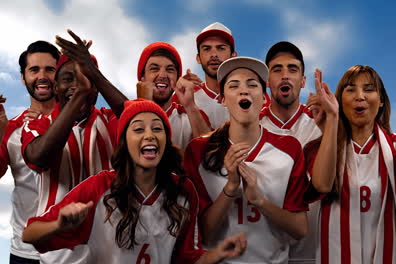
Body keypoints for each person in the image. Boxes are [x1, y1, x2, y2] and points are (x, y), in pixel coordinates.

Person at [22, 99, 247, 263]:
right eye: (138, 129)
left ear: (165, 142)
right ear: (124, 143)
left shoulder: (183, 191)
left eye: (157, 128)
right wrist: (59, 225)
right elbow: (30, 233)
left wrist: (218, 254)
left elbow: (186, 259)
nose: (149, 134)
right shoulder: (99, 187)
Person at [184, 56, 309, 263]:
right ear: (222, 99)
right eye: (234, 86)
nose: (244, 90)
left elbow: (300, 229)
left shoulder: (289, 148)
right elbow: (203, 233)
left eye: (252, 85)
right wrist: (231, 189)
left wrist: (260, 202)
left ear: (263, 98)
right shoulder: (198, 151)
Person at [22, 30, 128, 263]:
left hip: (110, 250)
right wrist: (81, 92)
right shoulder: (38, 124)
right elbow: (39, 158)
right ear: (55, 87)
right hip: (57, 255)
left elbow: (140, 118)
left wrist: (94, 76)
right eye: (68, 78)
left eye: (84, 77)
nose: (76, 84)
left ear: (97, 87)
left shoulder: (111, 120)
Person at [314, 65, 396, 263]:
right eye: (351, 89)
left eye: (368, 89)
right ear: (339, 101)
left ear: (380, 102)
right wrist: (331, 120)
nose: (359, 96)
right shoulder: (322, 150)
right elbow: (320, 185)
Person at [0, 40, 60, 264]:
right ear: (23, 77)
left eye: (50, 69)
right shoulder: (11, 129)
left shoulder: (79, 119)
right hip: (25, 253)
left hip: (76, 251)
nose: (42, 76)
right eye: (34, 69)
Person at [261, 41, 338, 263]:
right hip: (265, 254)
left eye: (292, 69)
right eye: (277, 70)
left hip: (314, 253)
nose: (285, 76)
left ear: (303, 81)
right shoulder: (252, 126)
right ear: (267, 81)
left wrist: (331, 124)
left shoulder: (322, 121)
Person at [136, 41, 211, 149]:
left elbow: (210, 156)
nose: (162, 75)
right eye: (154, 69)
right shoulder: (121, 114)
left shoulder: (191, 115)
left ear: (177, 79)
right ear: (142, 78)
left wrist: (190, 106)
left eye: (170, 69)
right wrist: (144, 106)